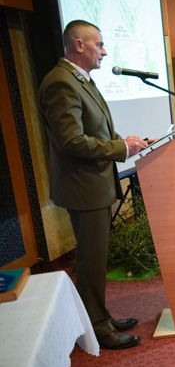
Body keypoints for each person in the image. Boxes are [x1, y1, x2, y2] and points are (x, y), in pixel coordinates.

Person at [38, 20, 148, 350]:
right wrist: (120, 149)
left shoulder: (81, 80)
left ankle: (100, 315)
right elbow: (72, 141)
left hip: (94, 184)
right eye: (98, 44)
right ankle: (97, 327)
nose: (104, 51)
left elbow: (97, 130)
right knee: (91, 260)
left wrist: (130, 142)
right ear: (78, 45)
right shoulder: (61, 83)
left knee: (96, 258)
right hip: (83, 187)